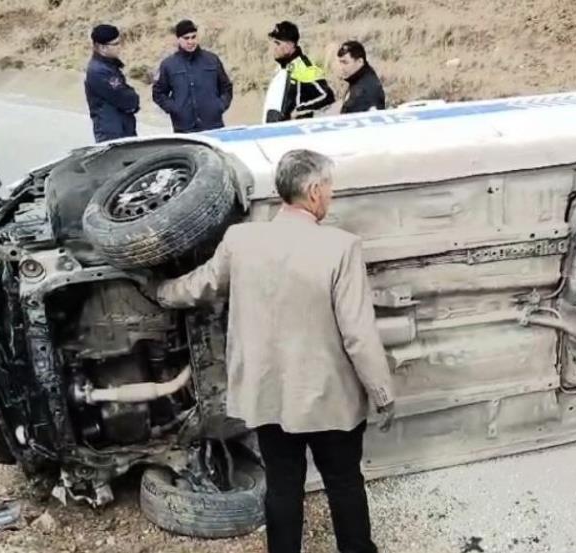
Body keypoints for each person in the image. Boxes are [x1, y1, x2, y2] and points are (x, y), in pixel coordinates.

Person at [148, 149, 395, 553]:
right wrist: (382, 392)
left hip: (269, 396)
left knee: (282, 486)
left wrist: (158, 291)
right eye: (329, 188)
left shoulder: (241, 240)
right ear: (314, 192)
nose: (330, 195)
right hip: (329, 400)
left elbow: (199, 286)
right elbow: (359, 335)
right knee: (344, 483)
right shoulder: (341, 248)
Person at [152, 19, 233, 133]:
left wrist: (219, 106)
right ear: (178, 39)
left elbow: (226, 87)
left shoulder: (212, 60)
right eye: (186, 38)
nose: (191, 41)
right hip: (184, 128)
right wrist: (175, 109)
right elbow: (158, 93)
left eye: (193, 37)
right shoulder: (168, 65)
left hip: (213, 125)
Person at [262, 21, 335, 123]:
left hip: (290, 132)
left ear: (290, 45)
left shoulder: (303, 66)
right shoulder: (282, 65)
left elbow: (327, 96)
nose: (274, 47)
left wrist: (299, 111)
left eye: (278, 43)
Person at [84, 24, 139, 143]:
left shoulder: (110, 66)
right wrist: (133, 99)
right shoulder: (98, 71)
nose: (120, 47)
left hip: (122, 129)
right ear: (101, 47)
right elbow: (123, 98)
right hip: (111, 134)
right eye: (115, 44)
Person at [336, 40, 386, 114]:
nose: (341, 68)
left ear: (360, 62)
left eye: (345, 62)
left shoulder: (363, 91)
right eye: (340, 62)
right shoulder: (361, 78)